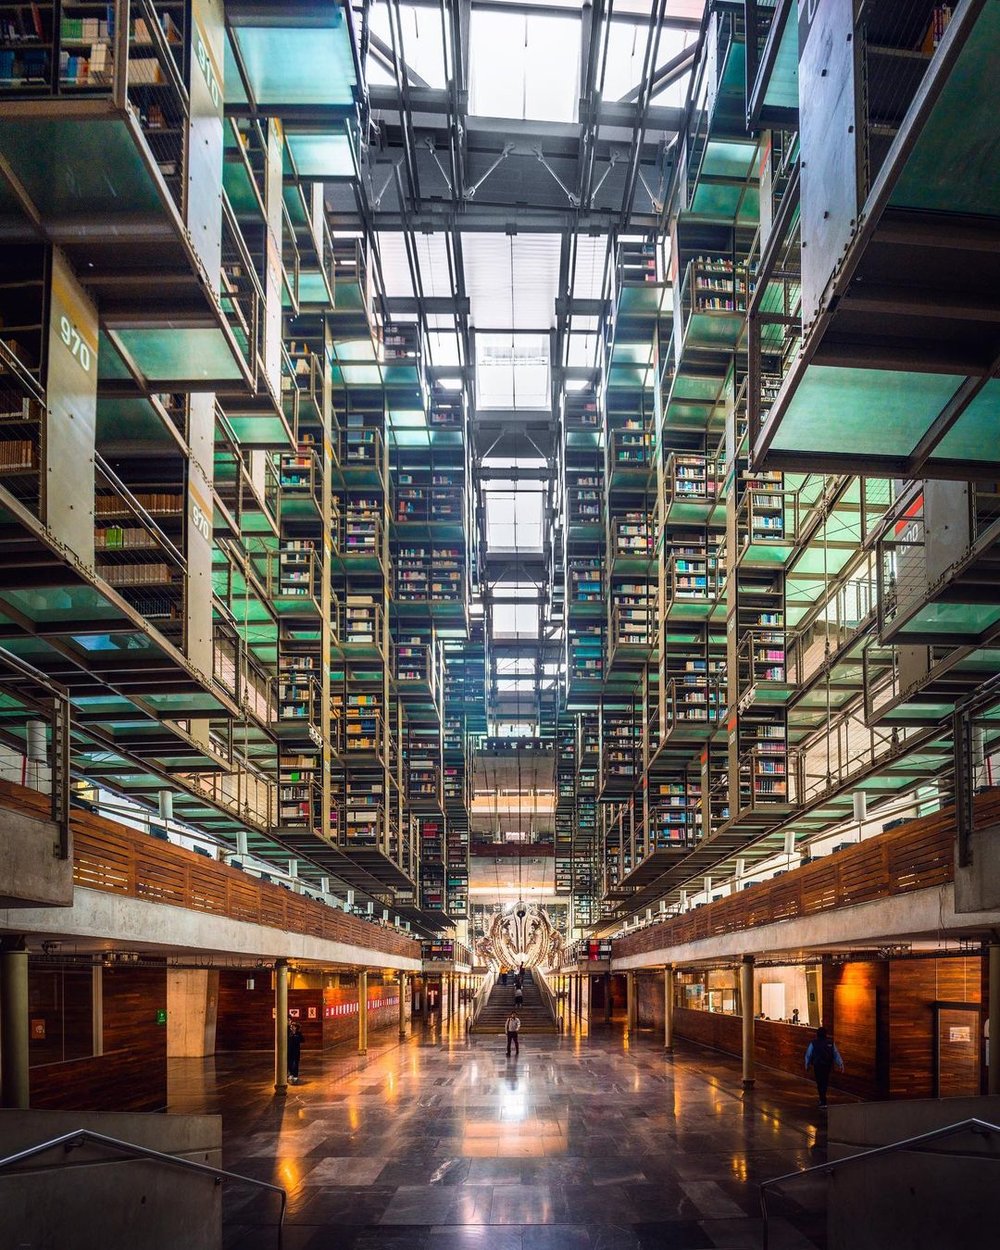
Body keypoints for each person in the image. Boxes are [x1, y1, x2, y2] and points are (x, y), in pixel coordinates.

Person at [805, 1026, 843, 1107]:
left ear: (817, 1034)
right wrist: (840, 1064)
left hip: (817, 1065)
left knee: (819, 1082)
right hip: (827, 1065)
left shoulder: (814, 1043)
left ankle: (822, 1100)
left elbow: (808, 1054)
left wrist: (807, 1065)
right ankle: (823, 1099)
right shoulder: (830, 1043)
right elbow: (836, 1053)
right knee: (825, 1081)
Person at [287, 1020, 303, 1085]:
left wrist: (295, 1036)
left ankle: (295, 1075)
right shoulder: (288, 1033)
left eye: (293, 1026)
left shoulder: (298, 1033)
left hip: (296, 1050)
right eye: (291, 1026)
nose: (291, 1027)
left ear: (296, 1027)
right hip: (289, 1050)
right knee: (289, 1062)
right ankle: (291, 1074)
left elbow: (302, 1040)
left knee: (295, 1063)